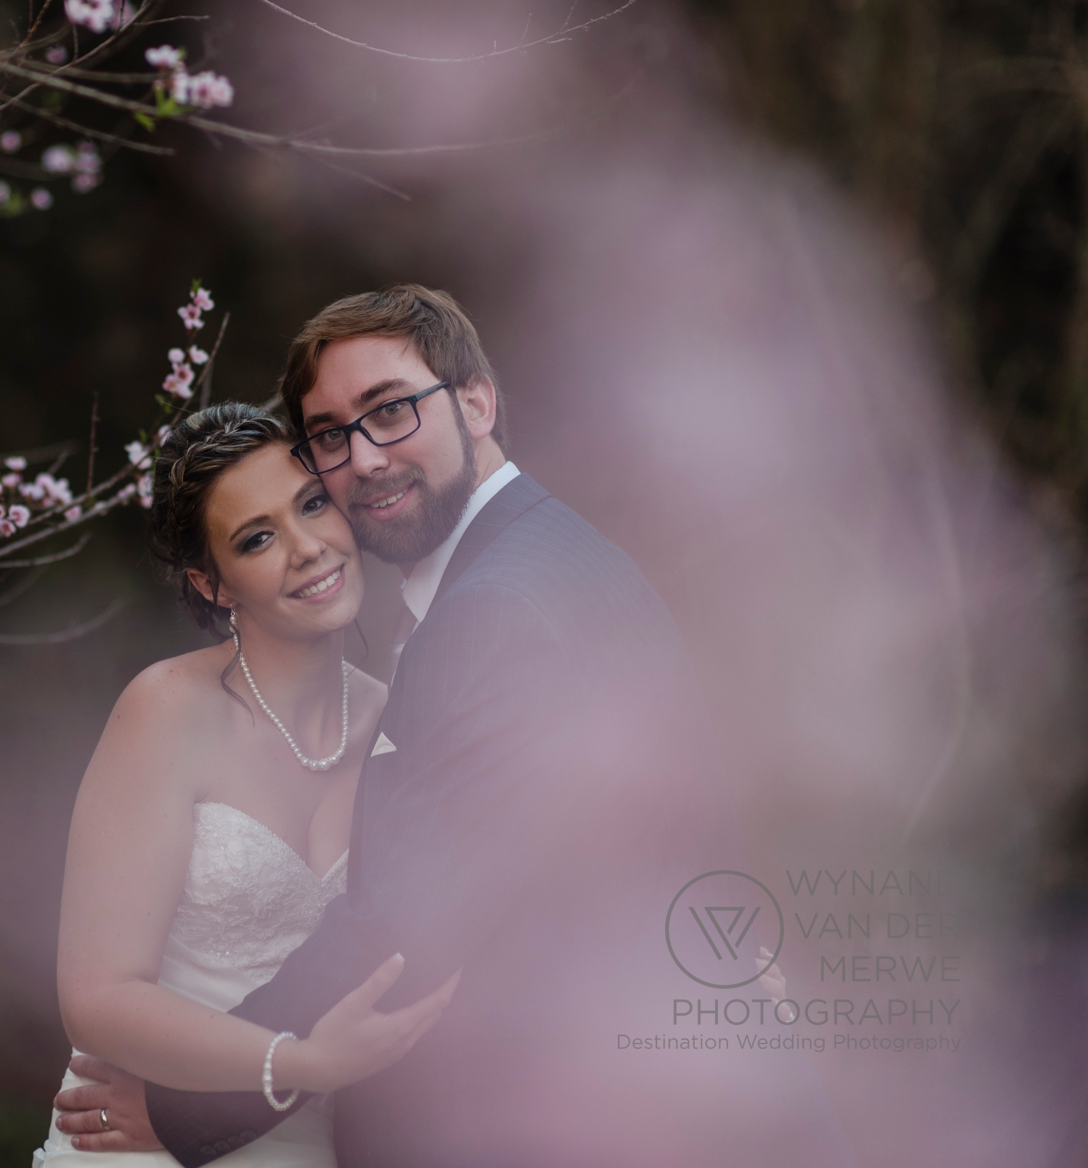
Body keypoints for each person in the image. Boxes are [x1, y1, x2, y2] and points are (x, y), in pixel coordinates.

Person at [58, 286, 856, 1167]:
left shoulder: (495, 608)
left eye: (391, 412)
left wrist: (182, 1106)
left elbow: (407, 923)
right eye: (331, 436)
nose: (362, 460)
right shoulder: (545, 560)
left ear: (476, 401)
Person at [33, 402, 460, 1167]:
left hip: (313, 1145)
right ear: (214, 583)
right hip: (137, 1140)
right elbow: (97, 998)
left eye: (313, 505)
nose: (306, 549)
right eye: (257, 538)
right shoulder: (167, 711)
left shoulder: (402, 724)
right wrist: (297, 1065)